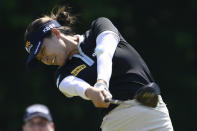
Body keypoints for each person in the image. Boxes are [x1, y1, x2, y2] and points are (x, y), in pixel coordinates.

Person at [24, 6, 174, 131]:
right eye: (40, 59)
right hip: (116, 125)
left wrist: (101, 83)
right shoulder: (61, 75)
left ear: (56, 33)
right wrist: (91, 92)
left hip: (154, 116)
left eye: (43, 51)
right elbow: (74, 86)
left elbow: (104, 52)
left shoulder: (99, 26)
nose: (45, 60)